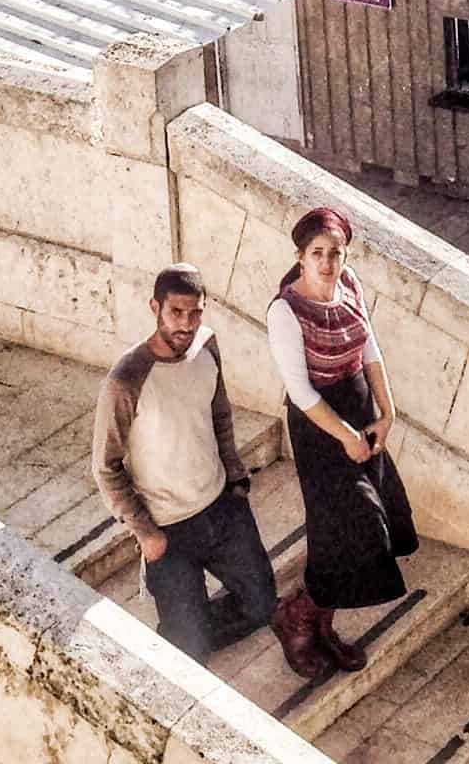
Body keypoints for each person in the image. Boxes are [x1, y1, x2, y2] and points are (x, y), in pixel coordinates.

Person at [93, 264, 278, 661]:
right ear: (155, 308)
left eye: (195, 313)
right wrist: (146, 533)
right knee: (190, 650)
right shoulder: (126, 379)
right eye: (176, 313)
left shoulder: (207, 346)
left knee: (263, 607)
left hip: (222, 508)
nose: (187, 324)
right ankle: (184, 629)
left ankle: (190, 625)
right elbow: (105, 467)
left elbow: (220, 416)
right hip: (169, 529)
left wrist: (236, 478)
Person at [265, 203, 416, 680]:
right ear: (301, 256)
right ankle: (296, 617)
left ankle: (321, 623)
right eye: (318, 253)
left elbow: (369, 348)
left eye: (336, 253)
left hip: (359, 412)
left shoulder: (350, 286)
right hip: (320, 427)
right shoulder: (285, 311)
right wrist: (347, 437)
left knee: (357, 529)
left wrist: (387, 414)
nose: (328, 263)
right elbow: (300, 391)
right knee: (356, 527)